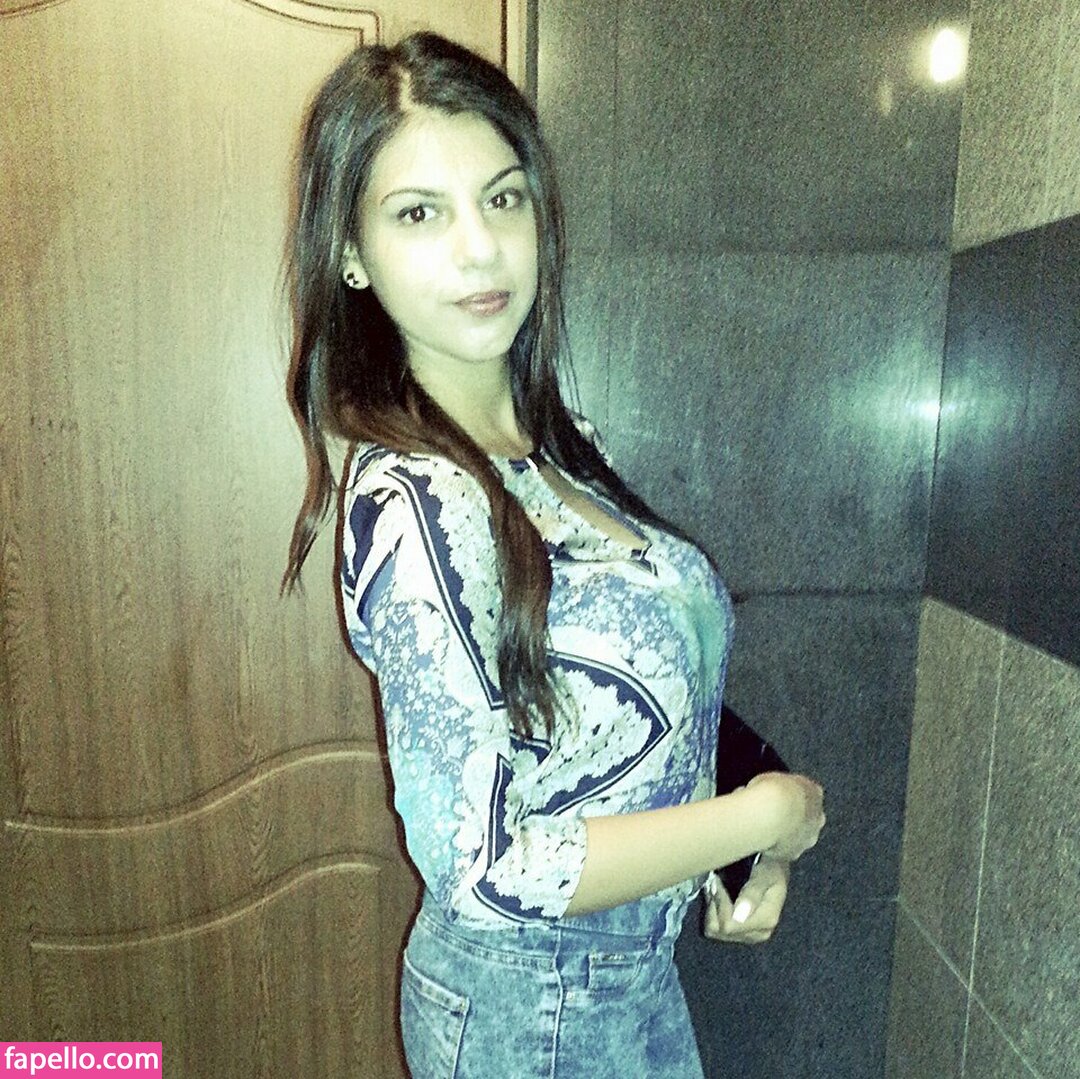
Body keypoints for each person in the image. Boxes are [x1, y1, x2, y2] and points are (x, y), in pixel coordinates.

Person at [282, 31, 825, 1079]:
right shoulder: (418, 500)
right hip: (531, 1008)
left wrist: (749, 809)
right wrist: (755, 816)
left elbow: (625, 697)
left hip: (619, 983)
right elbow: (486, 866)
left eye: (503, 198)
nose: (480, 249)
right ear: (350, 251)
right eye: (418, 213)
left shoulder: (557, 449)